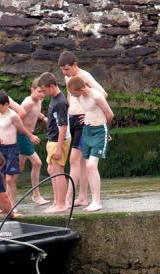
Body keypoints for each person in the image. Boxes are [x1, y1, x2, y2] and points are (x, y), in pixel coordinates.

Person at [58, 50, 108, 208]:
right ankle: (82, 197)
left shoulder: (84, 76)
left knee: (75, 159)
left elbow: (102, 94)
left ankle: (68, 198)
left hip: (83, 121)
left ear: (75, 65)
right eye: (62, 70)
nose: (65, 73)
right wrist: (67, 117)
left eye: (67, 69)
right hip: (72, 119)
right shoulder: (67, 77)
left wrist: (88, 113)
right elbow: (69, 97)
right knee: (80, 161)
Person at [67, 76, 114, 212]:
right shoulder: (78, 96)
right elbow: (88, 110)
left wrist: (106, 133)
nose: (73, 96)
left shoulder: (97, 96)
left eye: (74, 93)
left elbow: (110, 114)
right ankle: (92, 200)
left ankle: (97, 201)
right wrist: (86, 116)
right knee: (87, 166)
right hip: (86, 131)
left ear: (81, 89)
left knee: (92, 166)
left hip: (99, 131)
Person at [0, 90, 40, 211]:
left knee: (10, 179)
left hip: (11, 149)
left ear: (6, 104)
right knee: (0, 176)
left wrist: (31, 137)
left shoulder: (13, 115)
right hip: (0, 149)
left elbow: (22, 129)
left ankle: (12, 205)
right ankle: (3, 204)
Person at [37, 72, 71, 213]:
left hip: (59, 140)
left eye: (44, 90)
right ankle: (57, 201)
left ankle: (62, 203)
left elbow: (63, 126)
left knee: (58, 170)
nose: (43, 94)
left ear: (52, 86)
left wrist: (58, 147)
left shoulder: (61, 102)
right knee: (52, 169)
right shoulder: (54, 99)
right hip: (52, 139)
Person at [18, 78, 49, 206]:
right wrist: (30, 136)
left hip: (27, 135)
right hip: (22, 135)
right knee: (37, 163)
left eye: (44, 92)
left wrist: (44, 118)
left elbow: (36, 113)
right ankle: (36, 195)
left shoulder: (39, 100)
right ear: (32, 89)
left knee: (18, 168)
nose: (42, 94)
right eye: (39, 91)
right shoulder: (28, 103)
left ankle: (6, 192)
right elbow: (17, 121)